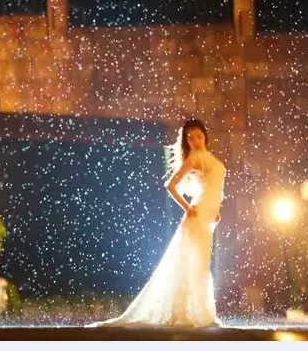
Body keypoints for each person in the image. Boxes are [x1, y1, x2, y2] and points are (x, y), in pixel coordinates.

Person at [87, 119, 226, 328]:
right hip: (197, 218)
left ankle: (200, 311)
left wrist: (216, 211)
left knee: (200, 265)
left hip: (208, 217)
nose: (195, 140)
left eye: (198, 135)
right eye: (189, 137)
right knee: (194, 265)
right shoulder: (195, 159)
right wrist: (188, 208)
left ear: (205, 135)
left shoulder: (209, 158)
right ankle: (189, 312)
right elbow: (171, 185)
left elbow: (213, 187)